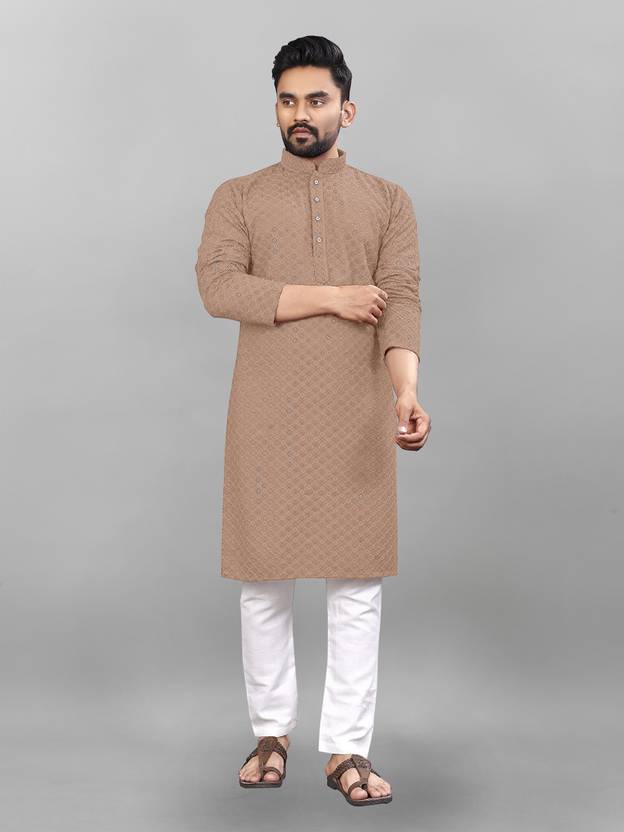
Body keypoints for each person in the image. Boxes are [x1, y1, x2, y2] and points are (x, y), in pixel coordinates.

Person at [194, 34, 431, 807]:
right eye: (288, 100)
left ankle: (347, 751)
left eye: (317, 100)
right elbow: (220, 288)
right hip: (265, 412)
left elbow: (400, 299)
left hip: (357, 412)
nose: (301, 113)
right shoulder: (238, 196)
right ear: (276, 108)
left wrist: (405, 391)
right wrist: (332, 296)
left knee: (357, 585)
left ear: (346, 110)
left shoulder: (388, 201)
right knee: (263, 581)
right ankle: (271, 733)